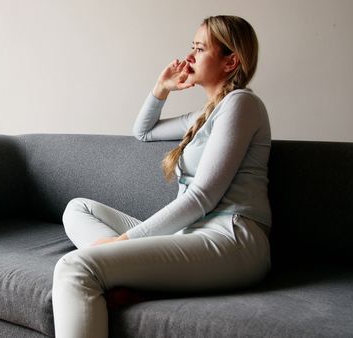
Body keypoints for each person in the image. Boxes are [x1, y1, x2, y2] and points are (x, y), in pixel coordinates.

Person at [52, 15, 272, 338]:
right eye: (191, 47)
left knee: (75, 267)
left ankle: (117, 271)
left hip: (231, 239)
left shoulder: (242, 104)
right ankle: (128, 276)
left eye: (200, 48)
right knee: (77, 209)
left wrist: (121, 243)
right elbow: (142, 132)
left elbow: (202, 197)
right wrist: (162, 87)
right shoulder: (205, 114)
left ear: (231, 61)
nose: (190, 56)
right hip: (189, 234)